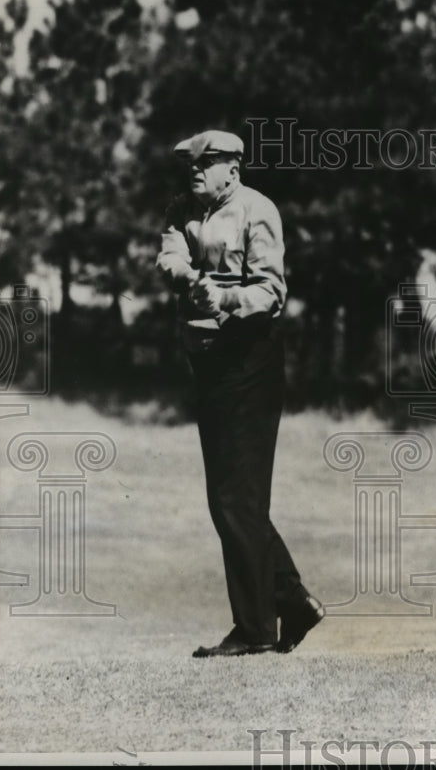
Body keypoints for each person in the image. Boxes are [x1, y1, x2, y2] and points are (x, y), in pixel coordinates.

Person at [157, 129, 323, 657]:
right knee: (227, 499)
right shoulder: (182, 208)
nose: (197, 170)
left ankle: (255, 630)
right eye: (193, 164)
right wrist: (189, 276)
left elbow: (271, 292)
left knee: (237, 498)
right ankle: (290, 602)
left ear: (234, 167)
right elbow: (169, 254)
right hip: (208, 362)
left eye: (209, 162)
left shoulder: (258, 211)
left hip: (249, 359)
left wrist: (222, 296)